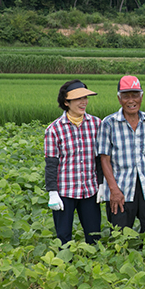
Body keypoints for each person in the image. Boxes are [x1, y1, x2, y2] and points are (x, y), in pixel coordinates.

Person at [97, 76, 145, 233]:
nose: (131, 100)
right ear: (119, 99)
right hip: (121, 187)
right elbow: (104, 159)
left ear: (141, 97)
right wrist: (113, 190)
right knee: (120, 234)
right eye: (126, 96)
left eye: (135, 95)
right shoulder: (109, 123)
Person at [44, 79, 102, 244]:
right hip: (65, 191)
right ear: (66, 102)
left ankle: (93, 264)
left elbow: (99, 159)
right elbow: (51, 164)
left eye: (85, 98)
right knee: (64, 237)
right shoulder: (54, 129)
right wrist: (52, 192)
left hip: (90, 189)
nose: (83, 102)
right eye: (78, 99)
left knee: (94, 235)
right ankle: (64, 266)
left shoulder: (96, 124)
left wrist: (102, 184)